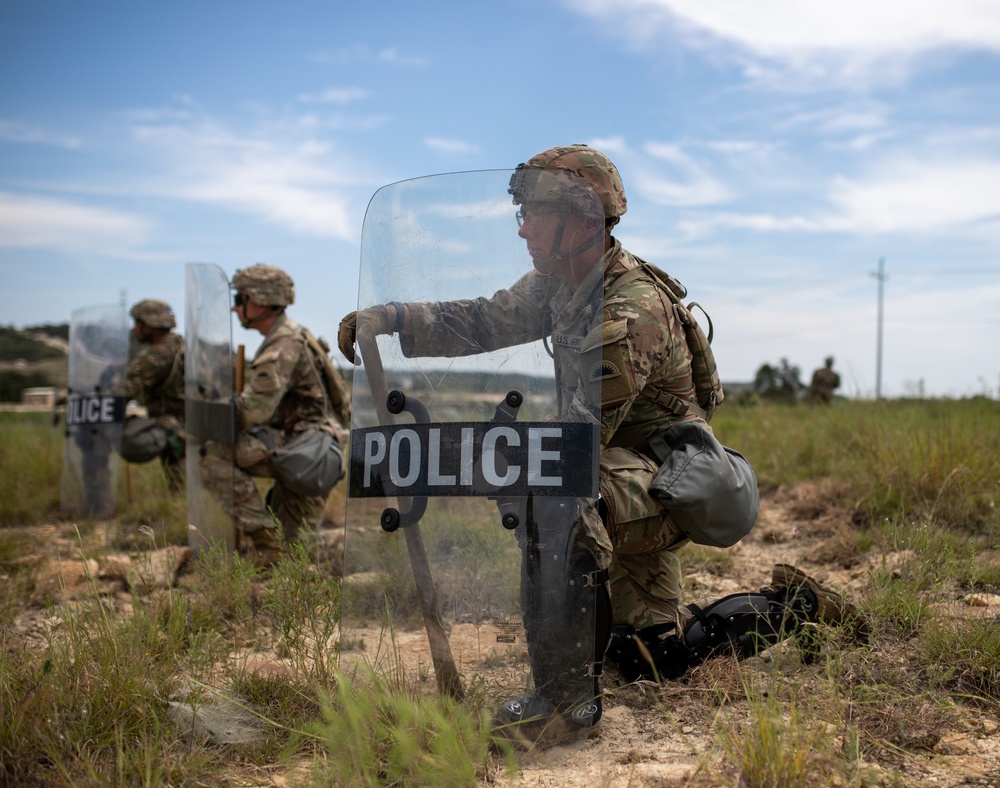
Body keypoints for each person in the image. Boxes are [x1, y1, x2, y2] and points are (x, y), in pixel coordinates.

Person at [338, 145, 861, 747]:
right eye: (522, 212)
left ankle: (563, 704)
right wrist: (397, 316)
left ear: (584, 220)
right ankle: (799, 606)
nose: (523, 227)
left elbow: (574, 449)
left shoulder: (629, 309)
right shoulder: (562, 284)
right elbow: (484, 320)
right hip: (622, 476)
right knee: (650, 656)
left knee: (550, 490)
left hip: (668, 485)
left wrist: (452, 460)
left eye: (534, 212)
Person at [202, 264, 350, 567]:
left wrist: (207, 418)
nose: (235, 306)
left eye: (241, 298)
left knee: (214, 455)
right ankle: (368, 541)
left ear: (260, 300)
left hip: (305, 450)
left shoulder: (282, 345)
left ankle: (268, 544)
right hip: (309, 446)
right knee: (297, 548)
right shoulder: (294, 336)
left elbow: (255, 412)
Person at [122, 299, 186, 490]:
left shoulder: (154, 355)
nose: (135, 330)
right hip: (196, 425)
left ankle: (184, 519)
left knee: (182, 489)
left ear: (150, 325)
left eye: (138, 324)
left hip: (173, 428)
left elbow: (122, 391)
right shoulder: (183, 346)